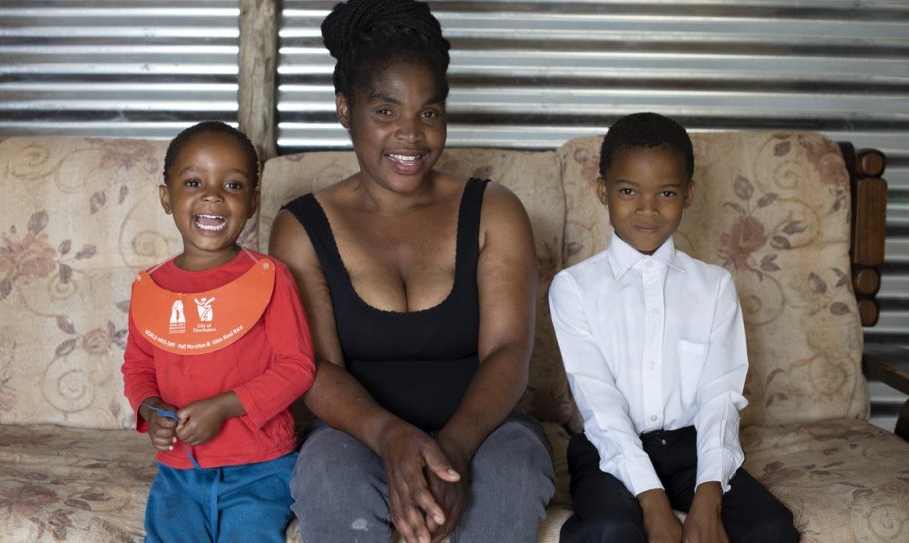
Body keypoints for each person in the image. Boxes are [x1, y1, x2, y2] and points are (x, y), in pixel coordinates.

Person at [268, 1, 555, 542]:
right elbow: (315, 369)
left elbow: (508, 351)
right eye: (385, 111)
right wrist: (391, 437)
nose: (411, 135)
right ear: (344, 108)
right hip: (354, 434)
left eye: (429, 112)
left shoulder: (494, 210)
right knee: (328, 477)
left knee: (516, 475)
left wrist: (454, 450)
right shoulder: (302, 226)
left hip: (487, 431)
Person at [549, 112, 798, 543]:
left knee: (771, 527)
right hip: (607, 450)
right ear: (602, 190)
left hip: (691, 449)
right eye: (629, 191)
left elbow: (718, 397)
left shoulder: (714, 286)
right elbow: (601, 407)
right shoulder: (574, 288)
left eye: (666, 192)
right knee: (610, 531)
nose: (647, 209)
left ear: (688, 194)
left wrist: (709, 496)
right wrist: (653, 501)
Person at [122, 121, 315, 543]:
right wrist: (151, 409)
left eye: (232, 184)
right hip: (178, 471)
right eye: (193, 182)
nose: (212, 195)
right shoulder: (151, 289)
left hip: (260, 469)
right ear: (166, 197)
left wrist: (225, 407)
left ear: (253, 202)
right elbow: (137, 368)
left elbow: (298, 367)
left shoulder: (271, 278)